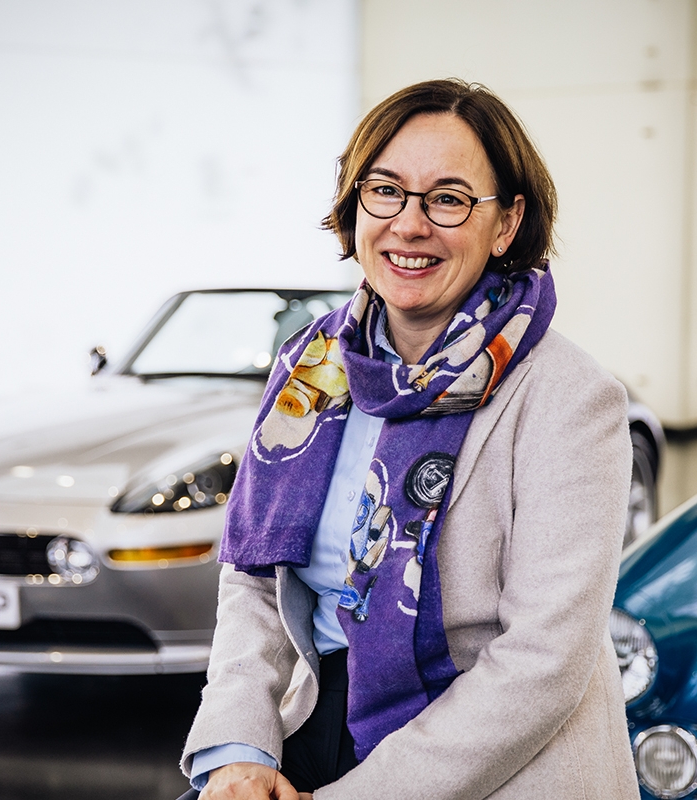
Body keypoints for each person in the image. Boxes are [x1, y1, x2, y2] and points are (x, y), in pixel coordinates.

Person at [179, 78, 639, 800]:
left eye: (449, 199)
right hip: (319, 720)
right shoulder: (311, 367)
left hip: (500, 760)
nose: (409, 224)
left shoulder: (572, 399)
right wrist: (240, 749)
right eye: (386, 190)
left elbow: (543, 663)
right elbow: (253, 580)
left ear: (507, 222)